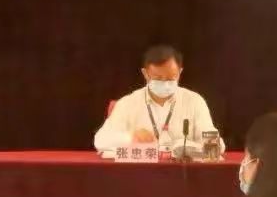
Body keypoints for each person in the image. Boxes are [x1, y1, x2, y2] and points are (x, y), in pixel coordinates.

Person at [93, 44, 223, 154]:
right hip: (140, 172)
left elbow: (215, 144)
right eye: (158, 78)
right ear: (145, 74)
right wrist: (131, 138)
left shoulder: (194, 101)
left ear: (180, 72)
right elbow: (100, 140)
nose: (165, 84)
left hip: (182, 172)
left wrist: (195, 146)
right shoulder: (128, 103)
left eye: (171, 78)